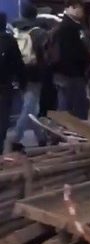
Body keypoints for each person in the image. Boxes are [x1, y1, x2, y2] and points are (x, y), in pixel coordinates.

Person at [11, 2, 48, 148]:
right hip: (34, 73)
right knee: (29, 108)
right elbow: (45, 55)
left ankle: (41, 138)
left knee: (32, 107)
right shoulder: (39, 32)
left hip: (19, 73)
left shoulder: (15, 30)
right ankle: (16, 138)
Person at [51, 0, 90, 119]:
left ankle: (62, 128)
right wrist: (88, 60)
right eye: (76, 7)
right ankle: (71, 129)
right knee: (75, 106)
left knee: (66, 104)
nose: (80, 11)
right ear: (68, 8)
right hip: (71, 73)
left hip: (63, 72)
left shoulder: (65, 26)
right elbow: (74, 51)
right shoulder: (68, 27)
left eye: (80, 8)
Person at [0, 12, 26, 152]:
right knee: (2, 118)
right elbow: (18, 64)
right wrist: (23, 83)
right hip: (4, 85)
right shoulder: (9, 40)